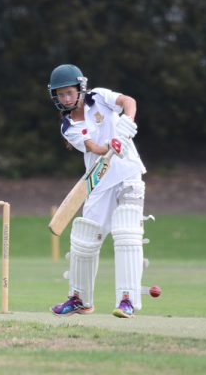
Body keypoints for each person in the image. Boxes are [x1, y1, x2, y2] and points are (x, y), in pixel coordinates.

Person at [48, 64, 149, 318]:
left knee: (127, 233)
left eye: (69, 92)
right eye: (60, 95)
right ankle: (80, 299)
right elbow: (94, 147)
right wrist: (110, 144)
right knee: (84, 238)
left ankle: (127, 300)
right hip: (98, 181)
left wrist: (127, 122)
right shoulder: (67, 126)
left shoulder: (100, 97)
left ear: (81, 88)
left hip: (128, 173)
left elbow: (129, 101)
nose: (65, 99)